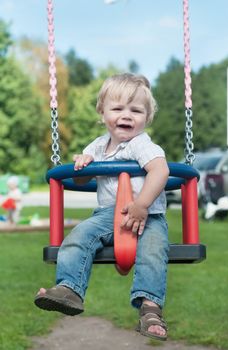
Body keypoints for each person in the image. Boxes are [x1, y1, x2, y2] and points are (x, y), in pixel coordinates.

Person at [34, 73, 170, 341]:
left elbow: (160, 170)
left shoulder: (141, 144)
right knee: (78, 236)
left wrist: (141, 205)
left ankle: (150, 308)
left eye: (136, 110)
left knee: (153, 252)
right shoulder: (96, 146)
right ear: (102, 112)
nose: (127, 115)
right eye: (118, 108)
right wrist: (83, 163)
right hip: (109, 215)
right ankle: (69, 289)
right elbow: (82, 178)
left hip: (148, 216)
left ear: (147, 116)